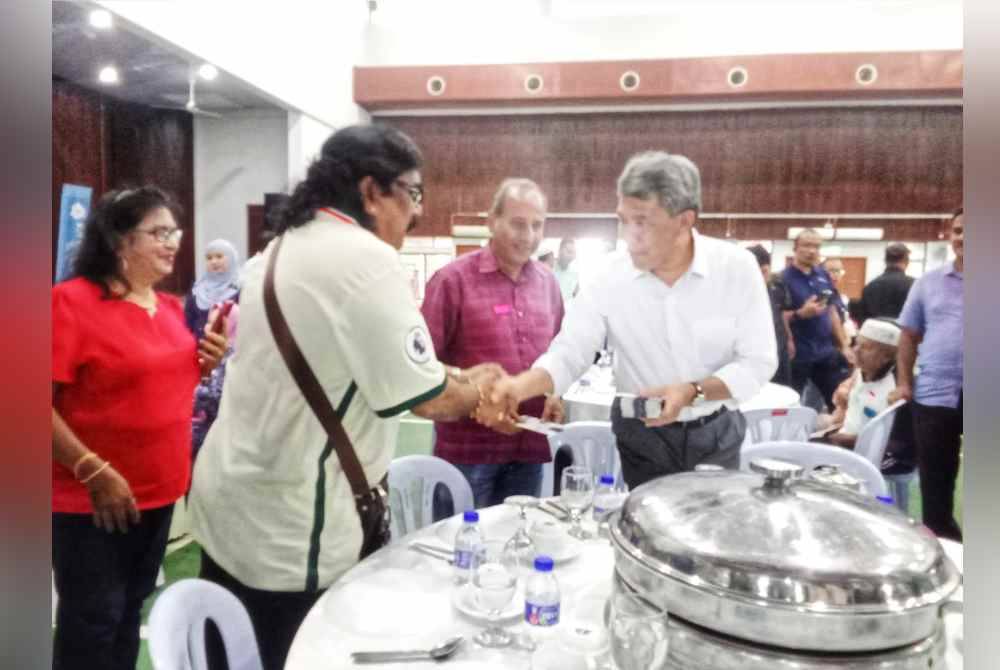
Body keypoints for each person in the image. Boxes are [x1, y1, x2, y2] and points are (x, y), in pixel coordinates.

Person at [187, 124, 492, 670]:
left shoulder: (275, 252)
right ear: (373, 191)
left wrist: (458, 374)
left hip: (229, 501)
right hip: (290, 526)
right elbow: (427, 400)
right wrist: (483, 392)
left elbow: (364, 362)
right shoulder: (365, 259)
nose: (418, 211)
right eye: (414, 193)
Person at [479, 151, 776, 489]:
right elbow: (570, 351)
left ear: (684, 220)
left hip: (715, 431)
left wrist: (694, 391)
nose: (630, 235)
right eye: (624, 221)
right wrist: (520, 387)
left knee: (709, 529)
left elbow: (758, 361)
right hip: (643, 435)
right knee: (648, 530)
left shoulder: (736, 269)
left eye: (644, 222)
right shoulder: (609, 274)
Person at [51, 186, 228, 670]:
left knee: (129, 613)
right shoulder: (69, 304)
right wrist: (91, 470)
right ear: (118, 240)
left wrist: (204, 366)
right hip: (94, 499)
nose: (172, 242)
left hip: (157, 494)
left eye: (174, 231)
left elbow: (156, 385)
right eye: (158, 232)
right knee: (92, 624)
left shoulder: (169, 308)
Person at [421, 179, 564, 508]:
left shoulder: (548, 284)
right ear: (491, 222)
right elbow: (421, 366)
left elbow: (559, 354)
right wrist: (471, 386)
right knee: (459, 550)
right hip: (468, 453)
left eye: (536, 225)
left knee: (517, 546)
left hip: (529, 447)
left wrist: (556, 393)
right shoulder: (452, 281)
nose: (528, 235)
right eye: (517, 224)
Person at [890, 207, 964, 541]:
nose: (964, 237)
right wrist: (904, 382)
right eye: (959, 230)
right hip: (935, 393)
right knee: (935, 484)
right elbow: (908, 336)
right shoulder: (928, 283)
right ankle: (948, 549)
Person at [781, 229, 853, 409]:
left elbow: (832, 311)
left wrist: (844, 345)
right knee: (790, 406)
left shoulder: (823, 276)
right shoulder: (782, 279)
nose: (812, 250)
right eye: (806, 245)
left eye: (816, 246)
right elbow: (776, 318)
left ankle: (833, 436)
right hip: (797, 355)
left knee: (840, 401)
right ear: (795, 248)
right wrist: (800, 314)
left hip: (825, 352)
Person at [824, 319, 902, 450]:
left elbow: (899, 444)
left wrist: (854, 440)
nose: (856, 350)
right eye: (857, 344)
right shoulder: (859, 372)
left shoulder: (897, 388)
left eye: (866, 347)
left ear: (887, 356)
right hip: (840, 440)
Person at [747, 244, 793, 387]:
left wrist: (789, 339)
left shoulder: (777, 287)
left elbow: (782, 315)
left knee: (782, 390)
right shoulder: (739, 292)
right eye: (756, 271)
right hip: (753, 354)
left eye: (764, 271)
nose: (761, 276)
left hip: (779, 349)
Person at [184, 238, 241, 338]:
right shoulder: (196, 290)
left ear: (231, 259)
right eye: (209, 258)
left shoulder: (239, 289)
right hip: (197, 349)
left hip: (227, 350)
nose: (213, 262)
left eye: (219, 256)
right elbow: (187, 323)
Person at [852, 242, 915, 326]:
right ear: (906, 261)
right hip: (904, 336)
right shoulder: (914, 286)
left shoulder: (870, 287)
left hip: (875, 336)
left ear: (885, 261)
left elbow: (863, 318)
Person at [553, 237, 579, 301]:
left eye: (573, 253)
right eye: (569, 251)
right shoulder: (546, 268)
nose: (571, 256)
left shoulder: (574, 275)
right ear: (560, 250)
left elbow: (576, 297)